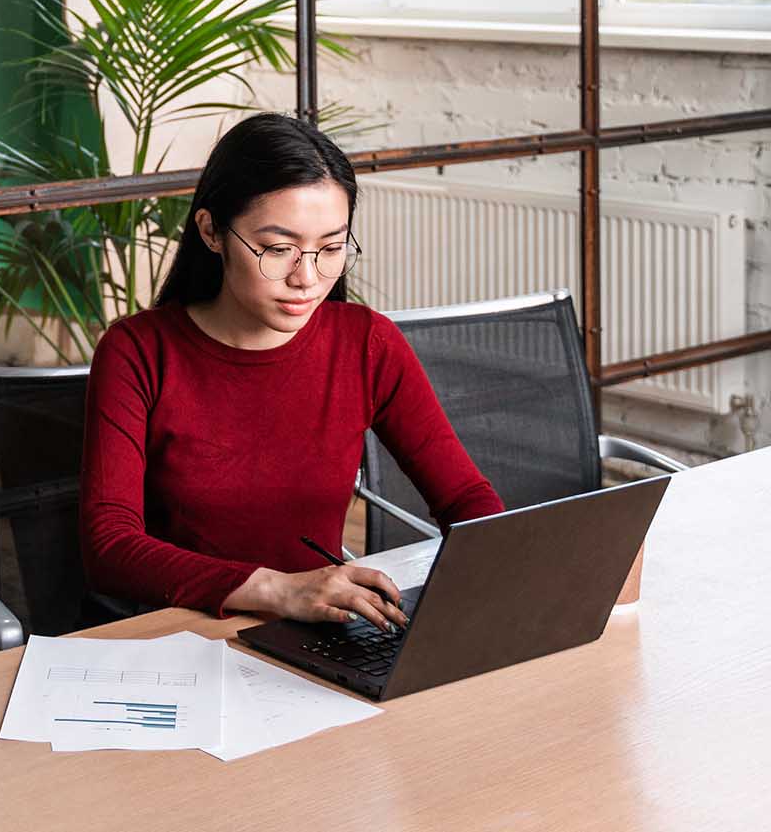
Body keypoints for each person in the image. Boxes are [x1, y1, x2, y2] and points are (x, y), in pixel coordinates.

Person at [79, 112, 504, 632]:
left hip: (317, 628)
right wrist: (277, 589)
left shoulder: (367, 343)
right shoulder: (138, 352)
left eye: (330, 249)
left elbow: (464, 498)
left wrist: (526, 568)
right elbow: (110, 545)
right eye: (278, 249)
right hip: (184, 636)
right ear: (212, 231)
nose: (307, 278)